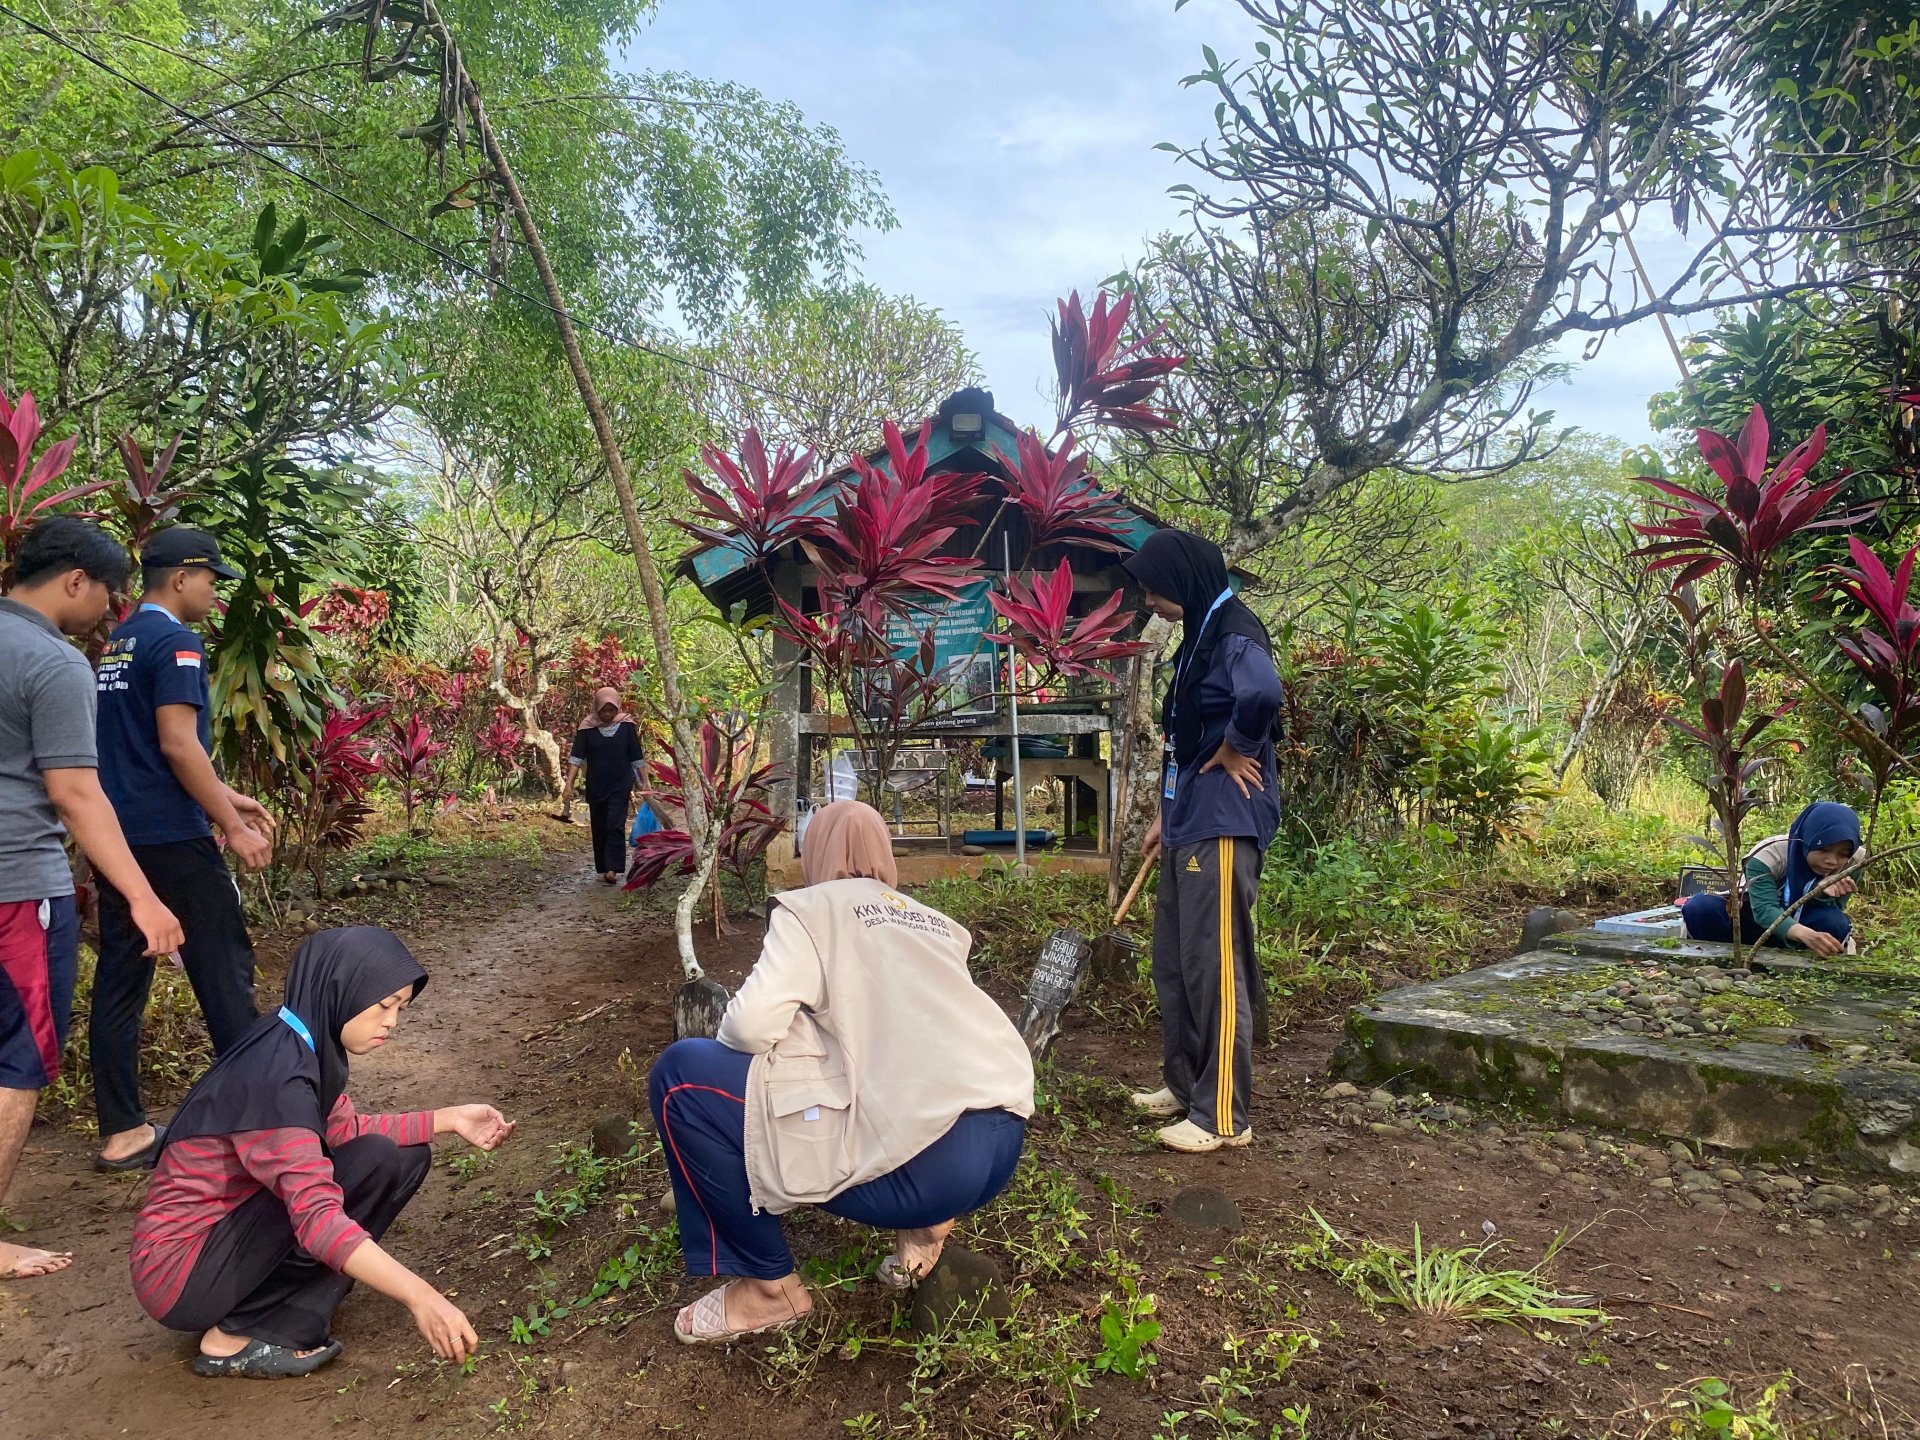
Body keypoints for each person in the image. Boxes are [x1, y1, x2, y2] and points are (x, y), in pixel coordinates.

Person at [647, 800, 1033, 1344]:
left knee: (680, 1077)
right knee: (890, 1070)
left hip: (925, 1168)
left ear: (818, 853)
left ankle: (768, 1291)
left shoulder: (813, 908)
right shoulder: (935, 923)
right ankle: (925, 1234)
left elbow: (748, 1027)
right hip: (1000, 1147)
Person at [131, 926, 514, 1378]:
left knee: (393, 1156)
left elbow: (346, 1132)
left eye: (401, 1008)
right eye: (383, 1005)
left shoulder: (300, 1039)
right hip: (181, 1271)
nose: (392, 1021)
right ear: (340, 990)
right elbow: (315, 1216)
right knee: (330, 1198)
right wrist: (422, 1297)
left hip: (218, 1243)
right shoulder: (277, 1082)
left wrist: (448, 1119)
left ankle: (283, 1306)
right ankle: (236, 1335)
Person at [1, 519, 185, 1281]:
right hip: (17, 888)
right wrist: (143, 899)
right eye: (109, 595)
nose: (110, 614)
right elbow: (76, 792)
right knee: (17, 1061)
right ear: (75, 578)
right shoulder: (51, 661)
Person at [91, 527, 277, 1172]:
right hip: (173, 838)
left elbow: (142, 753)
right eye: (209, 580)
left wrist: (227, 799)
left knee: (123, 975)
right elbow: (177, 745)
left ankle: (122, 1131)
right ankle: (256, 1119)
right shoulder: (177, 642)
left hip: (117, 837)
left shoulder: (117, 643)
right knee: (222, 966)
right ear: (178, 579)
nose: (212, 592)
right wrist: (231, 825)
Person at [1118, 528, 1283, 1154]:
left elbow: (1262, 694)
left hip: (1222, 818)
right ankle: (1185, 1085)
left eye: (1155, 591)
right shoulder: (1199, 633)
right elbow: (1186, 730)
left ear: (1183, 581)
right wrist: (1166, 811)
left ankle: (1222, 1116)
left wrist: (1238, 747)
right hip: (1190, 814)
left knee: (1215, 966)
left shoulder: (1236, 628)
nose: (1151, 601)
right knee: (1176, 960)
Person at [1681, 802, 1862, 956]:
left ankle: (1802, 969)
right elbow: (1763, 909)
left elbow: (1836, 908)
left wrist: (1819, 891)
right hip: (1751, 920)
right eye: (1823, 850)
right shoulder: (1769, 855)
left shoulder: (1855, 861)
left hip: (1804, 920)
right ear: (1807, 840)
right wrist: (1804, 934)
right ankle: (1721, 961)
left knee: (1834, 922)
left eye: (1842, 854)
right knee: (1701, 908)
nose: (1832, 861)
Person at [563, 687, 643, 883]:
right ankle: (603, 866)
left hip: (620, 784)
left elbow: (637, 758)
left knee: (615, 824)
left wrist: (644, 784)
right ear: (596, 709)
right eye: (604, 711)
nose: (608, 715)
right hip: (596, 784)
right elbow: (576, 758)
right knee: (599, 826)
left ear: (617, 708)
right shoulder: (587, 728)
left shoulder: (626, 727)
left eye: (611, 710)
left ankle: (613, 869)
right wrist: (568, 785)